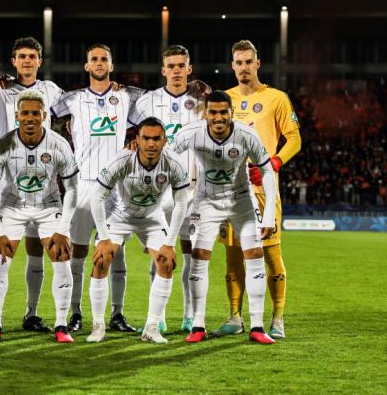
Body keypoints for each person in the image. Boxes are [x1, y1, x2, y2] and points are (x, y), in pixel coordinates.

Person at [171, 90, 277, 345]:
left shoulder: (246, 134)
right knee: (199, 257)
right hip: (206, 201)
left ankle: (257, 326)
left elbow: (266, 170)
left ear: (231, 112)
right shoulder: (191, 132)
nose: (218, 117)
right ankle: (198, 325)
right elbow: (166, 156)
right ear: (205, 114)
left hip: (241, 200)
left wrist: (269, 215)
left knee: (254, 255)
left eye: (223, 112)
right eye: (213, 112)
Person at [50, 43, 143, 333]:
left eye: (104, 59)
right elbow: (41, 110)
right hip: (84, 185)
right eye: (94, 59)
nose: (99, 63)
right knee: (78, 251)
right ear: (87, 66)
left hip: (116, 187)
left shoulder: (125, 97)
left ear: (111, 66)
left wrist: (136, 139)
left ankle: (117, 314)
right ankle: (76, 313)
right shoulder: (74, 99)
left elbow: (156, 109)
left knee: (116, 252)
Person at [212, 40, 301, 340]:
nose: (243, 67)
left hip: (263, 188)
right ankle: (235, 317)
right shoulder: (225, 99)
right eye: (238, 62)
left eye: (248, 62)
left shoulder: (276, 98)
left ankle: (278, 318)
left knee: (270, 253)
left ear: (258, 64)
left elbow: (294, 139)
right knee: (233, 255)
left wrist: (273, 163)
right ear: (232, 66)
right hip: (230, 189)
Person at [0, 90, 79, 343]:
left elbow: (72, 188)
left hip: (48, 206)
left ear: (44, 115)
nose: (30, 118)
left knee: (61, 255)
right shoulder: (3, 145)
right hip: (13, 206)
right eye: (25, 113)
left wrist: (62, 228)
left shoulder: (59, 144)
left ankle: (61, 324)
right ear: (17, 115)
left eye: (36, 113)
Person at [127, 45, 210, 332]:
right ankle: (158, 317)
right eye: (171, 66)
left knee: (192, 256)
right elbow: (125, 128)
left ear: (189, 69)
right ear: (163, 70)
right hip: (158, 191)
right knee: (159, 252)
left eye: (181, 65)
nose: (176, 71)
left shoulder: (202, 102)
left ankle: (190, 316)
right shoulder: (147, 102)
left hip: (193, 190)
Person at [88, 117, 191, 344]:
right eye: (146, 138)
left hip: (152, 218)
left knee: (166, 262)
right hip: (120, 216)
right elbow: (97, 196)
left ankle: (152, 327)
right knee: (101, 259)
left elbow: (181, 203)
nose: (151, 143)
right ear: (137, 139)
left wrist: (170, 243)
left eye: (156, 138)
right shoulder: (122, 159)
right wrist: (103, 237)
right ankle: (98, 326)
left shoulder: (174, 163)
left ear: (165, 140)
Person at [0, 37, 65, 333]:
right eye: (22, 56)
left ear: (39, 61)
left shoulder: (51, 90)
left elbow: (76, 108)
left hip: (43, 184)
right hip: (9, 186)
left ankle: (31, 314)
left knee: (37, 249)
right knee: (2, 252)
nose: (27, 61)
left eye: (32, 56)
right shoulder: (1, 91)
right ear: (14, 61)